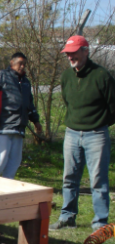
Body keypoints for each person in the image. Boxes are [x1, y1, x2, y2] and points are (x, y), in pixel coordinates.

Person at [50, 35, 115, 231]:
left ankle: (100, 223)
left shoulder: (102, 76)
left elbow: (113, 107)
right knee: (69, 177)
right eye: (68, 53)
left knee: (98, 180)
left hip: (96, 134)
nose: (70, 57)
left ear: (86, 51)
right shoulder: (66, 76)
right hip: (71, 134)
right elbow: (68, 101)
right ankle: (67, 217)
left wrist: (97, 123)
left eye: (74, 52)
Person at [0, 52, 42, 179]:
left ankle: (6, 190)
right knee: (0, 158)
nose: (22, 67)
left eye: (24, 64)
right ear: (12, 63)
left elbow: (29, 103)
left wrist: (36, 121)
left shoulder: (26, 82)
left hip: (19, 127)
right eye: (20, 63)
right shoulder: (1, 76)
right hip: (3, 124)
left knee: (14, 161)